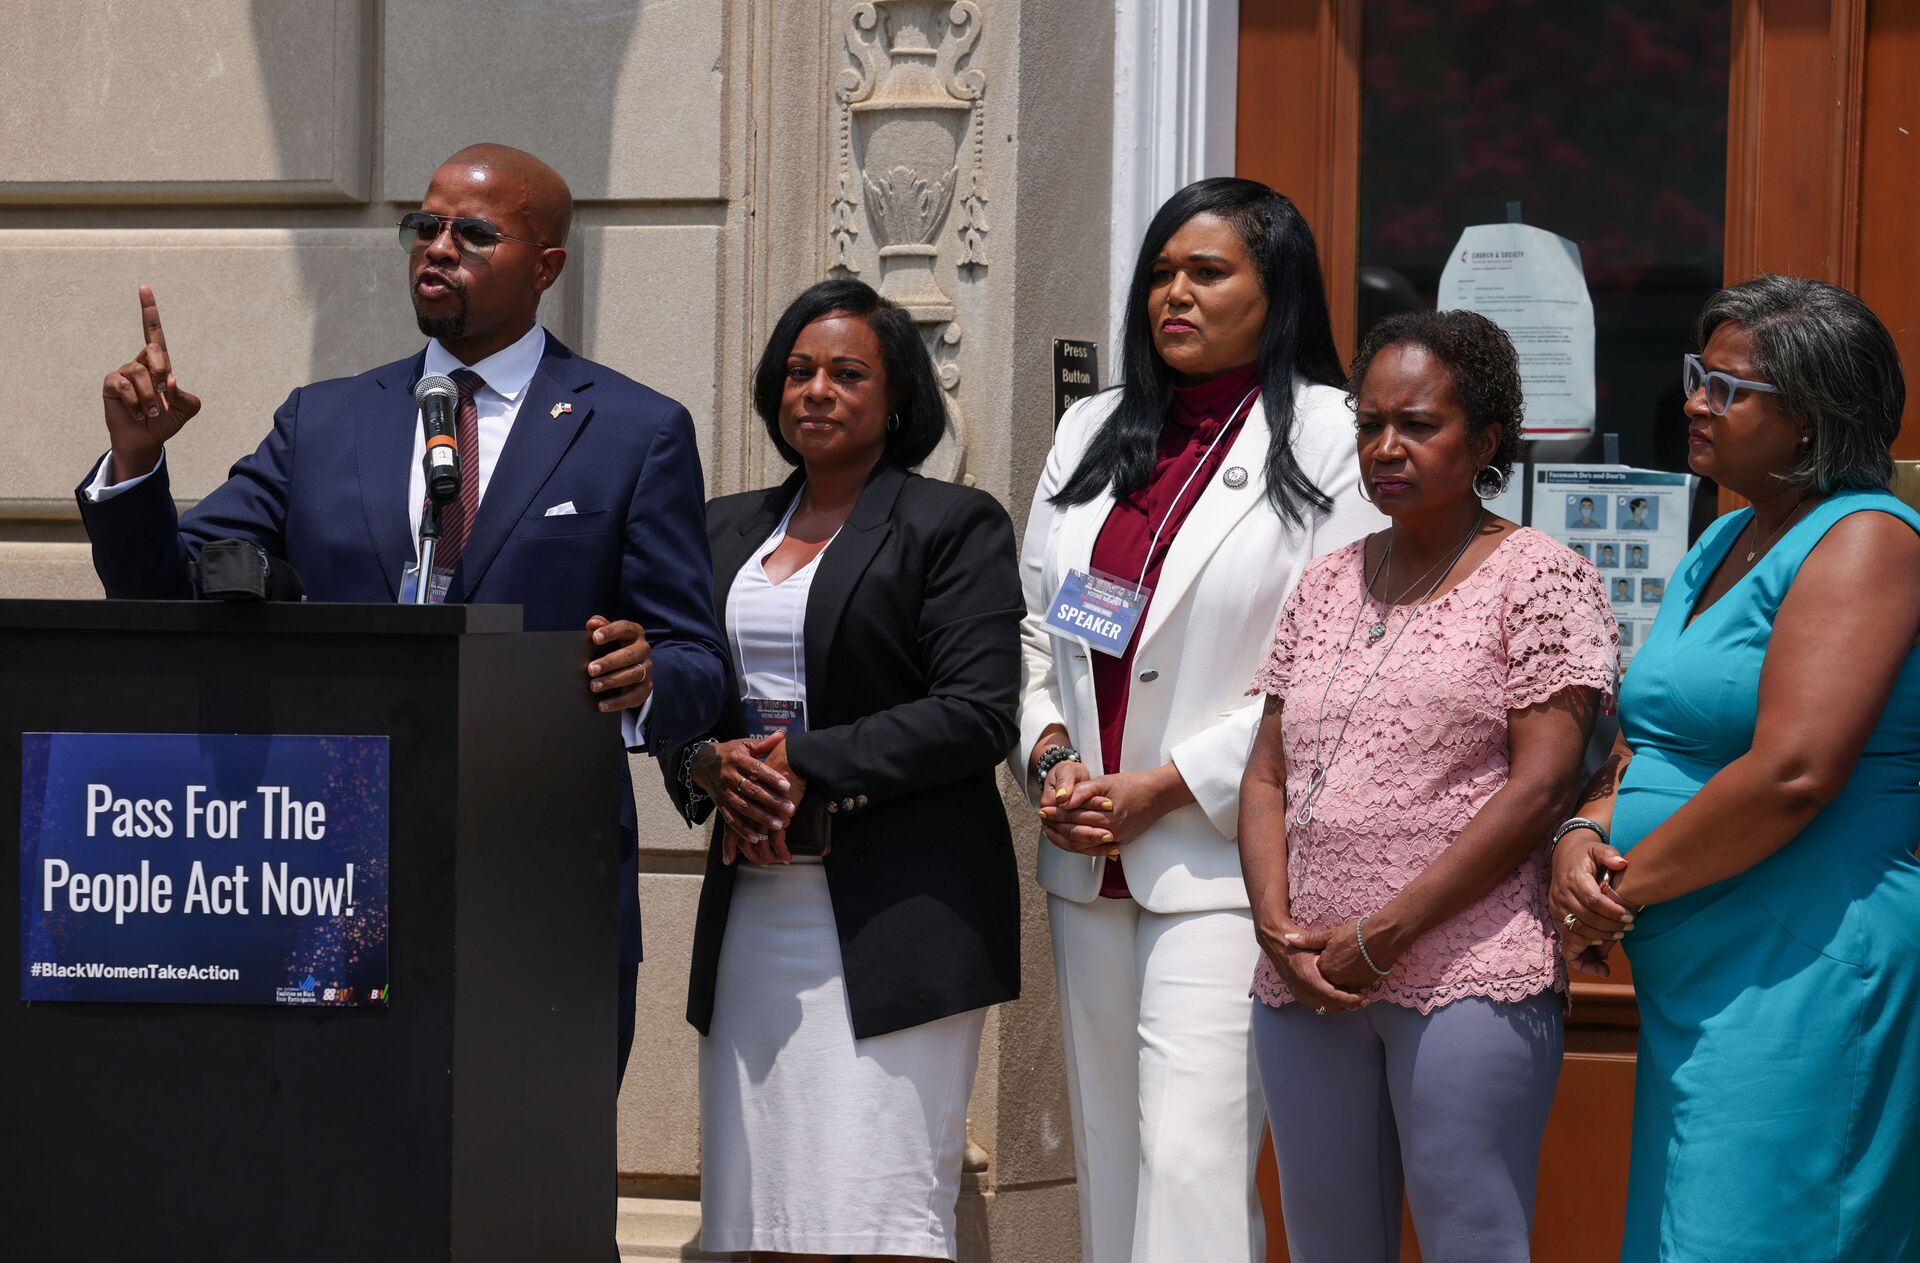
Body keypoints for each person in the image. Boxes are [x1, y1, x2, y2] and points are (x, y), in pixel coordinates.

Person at [80, 143, 729, 1084]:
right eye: (423, 226)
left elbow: (697, 659)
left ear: (545, 265)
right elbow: (165, 589)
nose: (437, 248)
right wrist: (137, 464)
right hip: (326, 869)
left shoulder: (634, 430)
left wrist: (650, 676)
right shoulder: (326, 420)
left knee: (533, 1194)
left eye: (472, 233)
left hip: (537, 871)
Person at [1014, 177, 1380, 1263]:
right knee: (1113, 1156)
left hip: (1225, 860)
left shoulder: (1334, 436)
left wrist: (1165, 785)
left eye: (1208, 272)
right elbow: (1039, 629)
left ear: (1281, 292)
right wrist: (1050, 758)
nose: (1175, 293)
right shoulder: (1092, 428)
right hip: (1088, 856)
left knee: (1195, 1158)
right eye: (1162, 273)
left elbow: (1326, 668)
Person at [1552, 276, 1920, 1262]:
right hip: (1705, 972)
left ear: (1813, 417)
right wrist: (1588, 828)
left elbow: (1797, 770)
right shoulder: (1724, 534)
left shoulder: (1865, 541)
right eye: (1697, 375)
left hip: (1804, 967)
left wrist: (1617, 895)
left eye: (1729, 387)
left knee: (1760, 1237)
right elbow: (1653, 735)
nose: (1695, 401)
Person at [1240, 308, 1617, 1261]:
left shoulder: (1541, 578)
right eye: (1370, 425)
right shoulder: (1324, 582)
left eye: (1418, 424)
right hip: (1310, 973)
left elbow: (1539, 788)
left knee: (1471, 1239)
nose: (1386, 446)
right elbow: (1266, 772)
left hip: (1465, 969)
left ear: (1486, 439)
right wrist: (1275, 927)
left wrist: (1390, 931)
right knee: (1326, 1242)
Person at [659, 278, 1022, 1262]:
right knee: (756, 1216)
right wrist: (706, 764)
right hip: (759, 913)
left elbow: (976, 713)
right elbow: (676, 695)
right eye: (798, 371)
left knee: (877, 1214)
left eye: (845, 373)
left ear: (897, 397)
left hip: (898, 915)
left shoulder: (954, 525)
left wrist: (801, 762)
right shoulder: (720, 529)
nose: (814, 390)